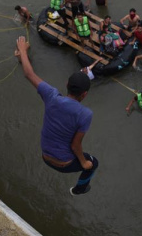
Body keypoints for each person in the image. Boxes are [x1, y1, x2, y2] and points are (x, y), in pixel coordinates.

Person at [14, 36, 99, 196]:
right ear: (85, 94)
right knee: (93, 164)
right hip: (64, 163)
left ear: (67, 84)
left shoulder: (51, 95)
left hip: (45, 156)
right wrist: (84, 163)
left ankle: (81, 179)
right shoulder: (85, 114)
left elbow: (29, 73)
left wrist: (23, 51)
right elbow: (75, 146)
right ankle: (79, 189)